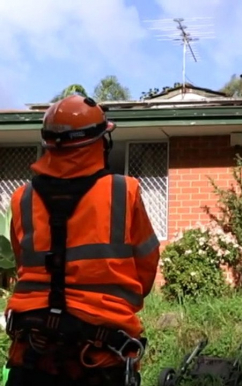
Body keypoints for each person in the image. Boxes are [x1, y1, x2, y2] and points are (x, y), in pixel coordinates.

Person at [3, 95, 161, 385]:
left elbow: (23, 265)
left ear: (49, 144)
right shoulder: (123, 192)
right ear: (101, 141)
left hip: (33, 355)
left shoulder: (21, 198)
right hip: (98, 356)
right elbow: (146, 271)